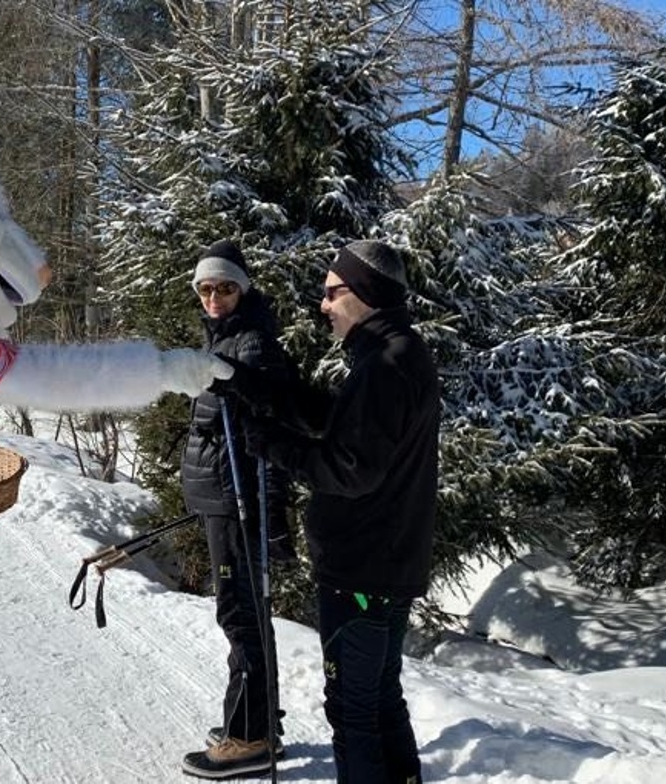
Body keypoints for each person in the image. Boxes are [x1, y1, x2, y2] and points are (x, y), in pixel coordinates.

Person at [216, 239, 439, 784]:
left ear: (364, 294)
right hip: (385, 564)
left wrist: (271, 445)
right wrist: (247, 385)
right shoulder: (394, 354)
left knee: (353, 711)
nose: (323, 305)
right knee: (380, 696)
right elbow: (338, 420)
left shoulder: (385, 365)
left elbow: (348, 469)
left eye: (332, 292)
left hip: (361, 568)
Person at [179, 239, 295, 780]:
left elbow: (272, 431)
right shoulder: (225, 340)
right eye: (205, 288)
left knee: (241, 616)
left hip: (239, 503)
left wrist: (272, 519)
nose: (213, 297)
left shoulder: (251, 347)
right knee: (243, 614)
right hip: (223, 500)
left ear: (242, 290)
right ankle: (256, 721)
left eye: (224, 287)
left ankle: (248, 737)